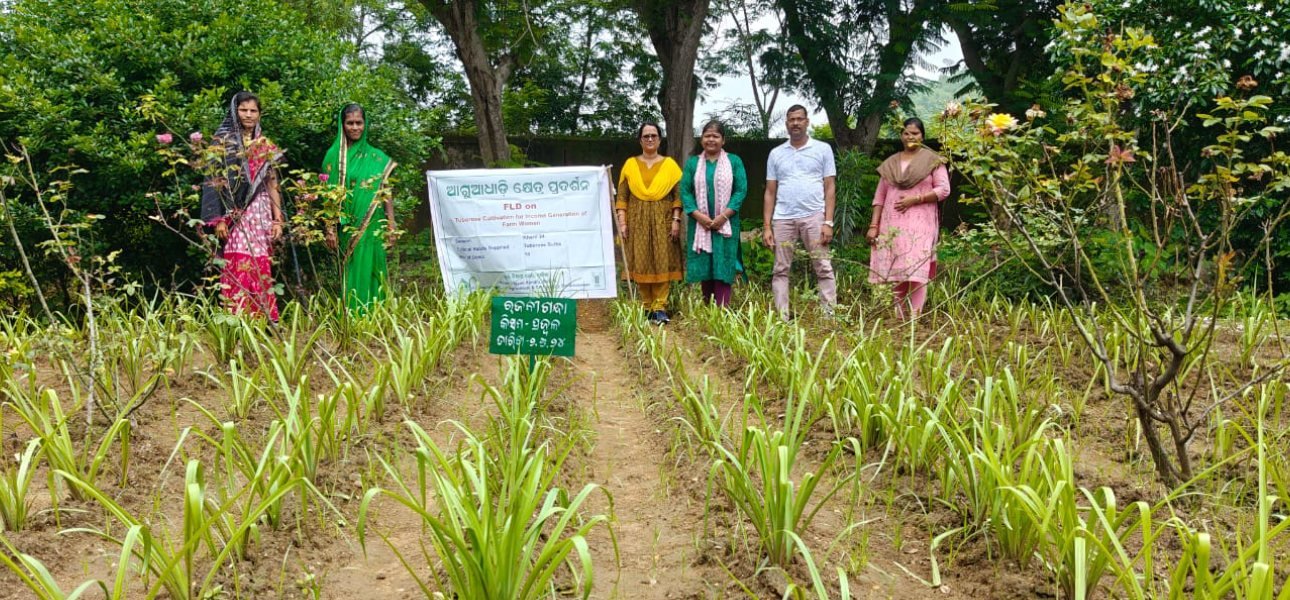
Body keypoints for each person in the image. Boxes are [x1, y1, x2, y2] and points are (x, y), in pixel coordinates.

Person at [201, 91, 284, 320]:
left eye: (253, 110)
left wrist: (278, 219)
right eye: (243, 110)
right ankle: (236, 315)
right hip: (234, 214)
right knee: (237, 258)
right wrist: (217, 219)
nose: (248, 115)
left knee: (260, 260)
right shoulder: (223, 142)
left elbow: (272, 182)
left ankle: (261, 316)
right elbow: (212, 182)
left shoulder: (264, 145)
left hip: (260, 212)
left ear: (259, 114)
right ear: (234, 111)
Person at [867, 117, 950, 319]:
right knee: (898, 268)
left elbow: (944, 190)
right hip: (892, 223)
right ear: (901, 135)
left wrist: (916, 199)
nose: (910, 137)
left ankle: (915, 317)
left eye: (915, 133)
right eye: (906, 133)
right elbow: (880, 197)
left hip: (921, 223)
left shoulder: (933, 161)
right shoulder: (891, 164)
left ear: (922, 136)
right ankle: (900, 316)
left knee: (916, 267)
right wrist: (873, 225)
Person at [762, 105, 837, 320]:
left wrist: (828, 222)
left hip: (814, 216)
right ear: (786, 124)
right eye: (791, 119)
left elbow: (830, 187)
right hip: (782, 218)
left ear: (807, 122)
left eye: (799, 119)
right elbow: (770, 191)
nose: (795, 123)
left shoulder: (822, 149)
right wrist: (767, 226)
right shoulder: (776, 154)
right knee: (780, 269)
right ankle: (782, 317)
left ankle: (829, 316)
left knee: (822, 266)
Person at [322, 103, 398, 314]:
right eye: (350, 123)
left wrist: (391, 223)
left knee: (374, 265)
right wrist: (329, 228)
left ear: (365, 124)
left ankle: (377, 316)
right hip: (347, 224)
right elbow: (328, 195)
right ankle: (354, 316)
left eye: (359, 123)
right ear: (342, 125)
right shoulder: (333, 157)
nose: (355, 127)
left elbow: (385, 191)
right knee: (353, 266)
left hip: (373, 221)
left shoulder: (376, 157)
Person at [616, 122, 684, 325]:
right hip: (637, 219)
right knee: (641, 261)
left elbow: (678, 196)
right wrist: (622, 222)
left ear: (659, 139)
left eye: (654, 135)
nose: (650, 139)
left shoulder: (670, 165)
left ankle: (660, 307)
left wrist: (676, 220)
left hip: (663, 219)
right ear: (640, 140)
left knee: (662, 260)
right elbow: (622, 196)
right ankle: (646, 306)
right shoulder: (630, 164)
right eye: (646, 136)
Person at [681, 120, 746, 306]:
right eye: (707, 136)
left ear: (723, 140)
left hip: (726, 224)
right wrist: (698, 216)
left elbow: (741, 190)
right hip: (700, 224)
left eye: (715, 136)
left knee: (723, 265)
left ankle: (722, 311)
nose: (711, 139)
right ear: (701, 140)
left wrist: (723, 216)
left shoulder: (734, 162)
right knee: (705, 265)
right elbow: (685, 191)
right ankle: (709, 310)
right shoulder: (693, 164)